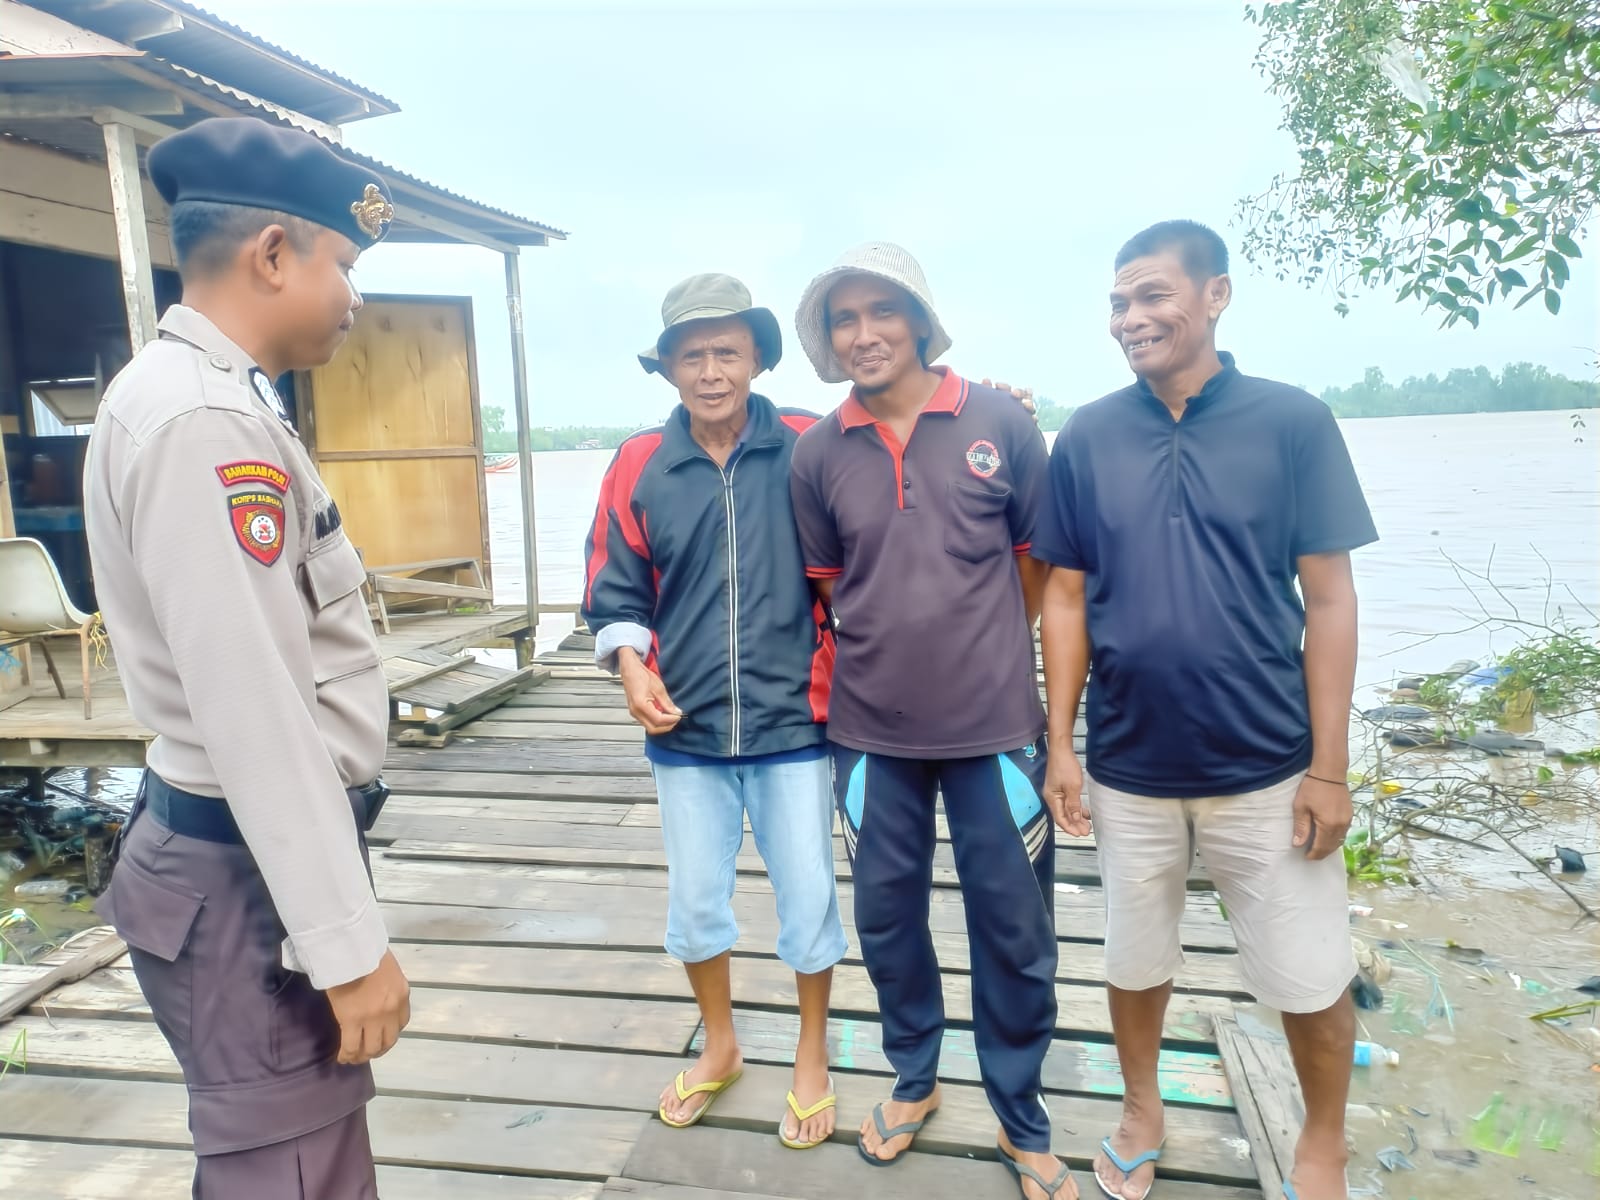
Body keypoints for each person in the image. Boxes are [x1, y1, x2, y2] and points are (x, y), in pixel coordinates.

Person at [84, 116, 411, 1198]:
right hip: (242, 882)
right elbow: (256, 710)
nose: (354, 300)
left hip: (233, 862)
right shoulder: (204, 423)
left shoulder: (198, 399)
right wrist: (346, 947)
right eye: (344, 267)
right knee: (292, 1172)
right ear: (275, 254)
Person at [1033, 220, 1376, 1200]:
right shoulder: (1090, 434)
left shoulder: (1291, 421)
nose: (1130, 319)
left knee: (1311, 977)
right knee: (1135, 961)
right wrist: (1060, 744)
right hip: (1128, 767)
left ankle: (1321, 1138)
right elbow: (1063, 593)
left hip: (1266, 767)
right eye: (1116, 303)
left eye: (1151, 296)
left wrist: (1329, 765)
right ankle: (1141, 1108)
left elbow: (1330, 599)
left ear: (1214, 296)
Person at [788, 243, 1075, 1200]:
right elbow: (832, 586)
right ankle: (915, 1079)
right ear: (829, 341)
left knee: (1015, 929)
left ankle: (1021, 1115)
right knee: (887, 921)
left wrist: (985, 642)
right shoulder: (819, 452)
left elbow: (1038, 563)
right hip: (872, 737)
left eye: (881, 312)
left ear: (918, 318)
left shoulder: (999, 422)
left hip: (996, 732)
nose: (863, 333)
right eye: (843, 319)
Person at [581, 273, 847, 1149]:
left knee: (809, 899)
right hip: (685, 730)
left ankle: (812, 1054)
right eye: (690, 355)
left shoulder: (811, 444)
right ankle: (722, 1046)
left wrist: (1000, 410)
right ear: (666, 370)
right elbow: (615, 589)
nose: (709, 370)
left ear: (758, 359)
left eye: (726, 351)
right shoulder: (636, 464)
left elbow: (893, 481)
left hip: (795, 725)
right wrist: (628, 663)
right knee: (697, 907)